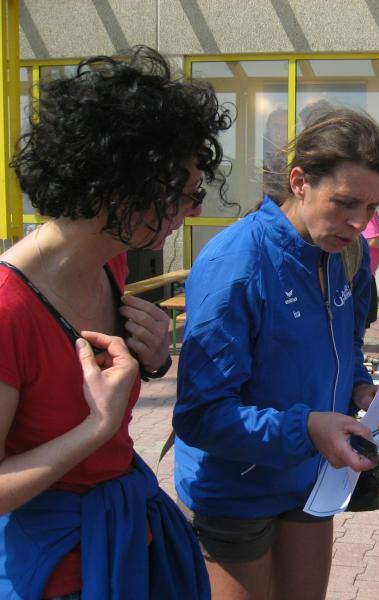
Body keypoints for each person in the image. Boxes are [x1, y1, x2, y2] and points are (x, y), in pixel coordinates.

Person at [0, 46, 230, 598]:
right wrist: (97, 427)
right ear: (120, 186)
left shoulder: (111, 263)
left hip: (124, 541)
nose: (195, 210)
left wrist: (152, 358)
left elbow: (100, 375)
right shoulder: (9, 310)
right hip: (54, 570)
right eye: (184, 194)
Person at [173, 108, 379, 600]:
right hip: (236, 489)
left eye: (372, 207)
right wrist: (307, 428)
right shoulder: (236, 262)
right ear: (299, 182)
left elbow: (345, 342)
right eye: (345, 202)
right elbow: (200, 415)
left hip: (311, 475)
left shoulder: (343, 253)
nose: (359, 223)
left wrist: (361, 388)